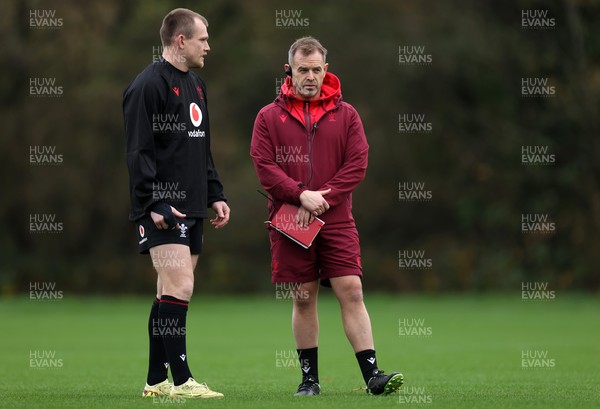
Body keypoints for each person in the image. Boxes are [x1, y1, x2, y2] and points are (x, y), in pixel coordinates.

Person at [250, 36, 403, 396]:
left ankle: (372, 377)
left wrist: (320, 199)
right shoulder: (268, 117)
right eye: (303, 70)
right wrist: (300, 195)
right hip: (290, 219)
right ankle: (309, 380)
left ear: (325, 70)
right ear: (288, 71)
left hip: (336, 218)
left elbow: (357, 165)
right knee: (302, 296)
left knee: (351, 289)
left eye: (317, 70)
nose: (310, 76)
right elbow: (264, 166)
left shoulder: (346, 114)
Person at [123, 8, 230, 399]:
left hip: (193, 205)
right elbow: (138, 151)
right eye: (203, 38)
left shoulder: (197, 85)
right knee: (180, 284)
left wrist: (214, 192)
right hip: (161, 208)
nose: (208, 45)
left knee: (169, 290)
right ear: (180, 41)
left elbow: (201, 147)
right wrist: (152, 201)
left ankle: (155, 381)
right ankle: (183, 381)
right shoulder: (147, 85)